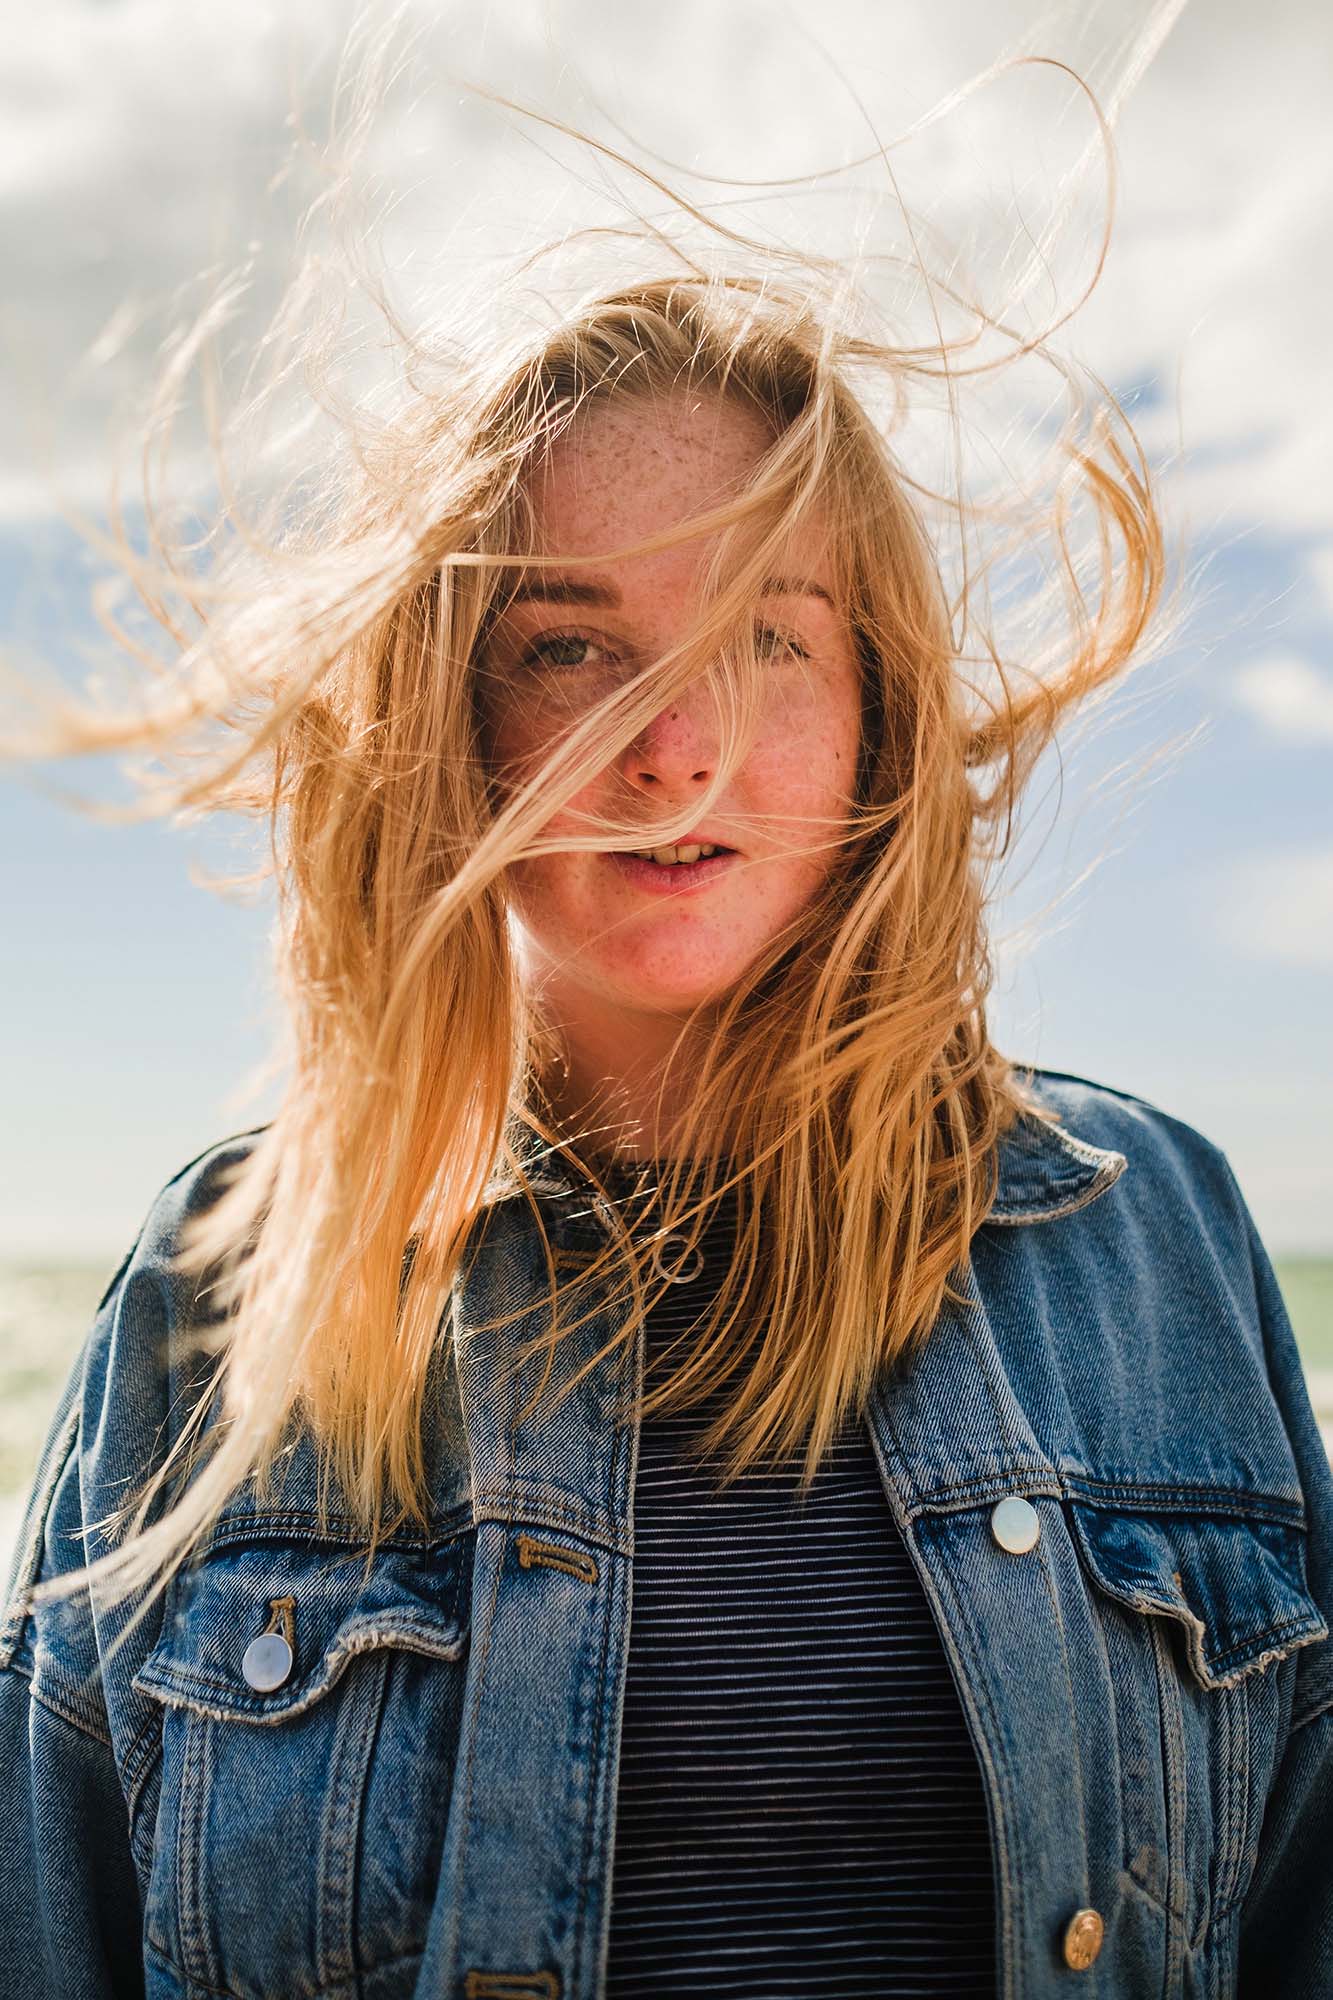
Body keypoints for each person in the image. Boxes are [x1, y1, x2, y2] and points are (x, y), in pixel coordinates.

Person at [2, 111, 1331, 2000]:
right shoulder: (221, 1297)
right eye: (569, 647)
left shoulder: (1149, 1234)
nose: (675, 750)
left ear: (874, 709)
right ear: (446, 714)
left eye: (768, 641)